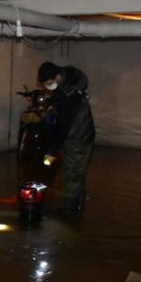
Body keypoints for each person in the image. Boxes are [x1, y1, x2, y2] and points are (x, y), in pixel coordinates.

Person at [37, 61, 96, 215]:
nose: (47, 87)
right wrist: (52, 104)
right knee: (78, 171)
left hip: (78, 138)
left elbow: (63, 126)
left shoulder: (69, 94)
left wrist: (51, 151)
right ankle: (78, 206)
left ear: (57, 77)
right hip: (81, 134)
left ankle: (68, 211)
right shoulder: (68, 79)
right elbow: (59, 102)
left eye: (49, 83)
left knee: (72, 174)